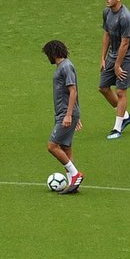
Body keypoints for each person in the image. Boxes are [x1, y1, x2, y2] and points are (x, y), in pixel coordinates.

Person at [42, 40, 84, 193]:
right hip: (65, 112)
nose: (48, 58)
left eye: (48, 54)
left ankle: (75, 174)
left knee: (52, 146)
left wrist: (69, 115)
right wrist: (75, 115)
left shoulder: (66, 66)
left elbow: (73, 91)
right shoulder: (63, 66)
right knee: (66, 147)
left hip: (65, 113)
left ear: (53, 53)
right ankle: (72, 184)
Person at [99, 0, 130, 139]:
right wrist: (103, 57)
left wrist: (117, 65)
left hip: (126, 58)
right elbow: (107, 34)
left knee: (121, 91)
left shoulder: (126, 17)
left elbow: (125, 43)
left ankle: (117, 128)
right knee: (103, 87)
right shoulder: (107, 12)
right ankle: (125, 116)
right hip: (112, 56)